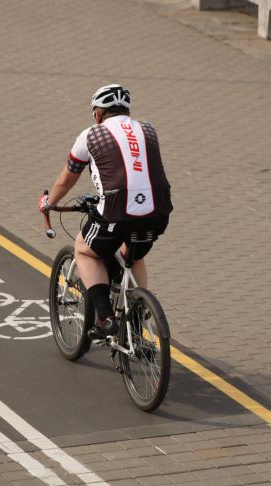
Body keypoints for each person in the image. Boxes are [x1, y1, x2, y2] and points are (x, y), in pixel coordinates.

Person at [39, 84, 173, 337]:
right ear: (127, 111)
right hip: (159, 211)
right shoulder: (149, 129)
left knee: (85, 250)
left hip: (117, 210)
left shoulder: (91, 135)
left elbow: (65, 181)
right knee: (132, 254)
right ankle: (137, 316)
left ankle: (106, 319)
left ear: (98, 114)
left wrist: (49, 203)